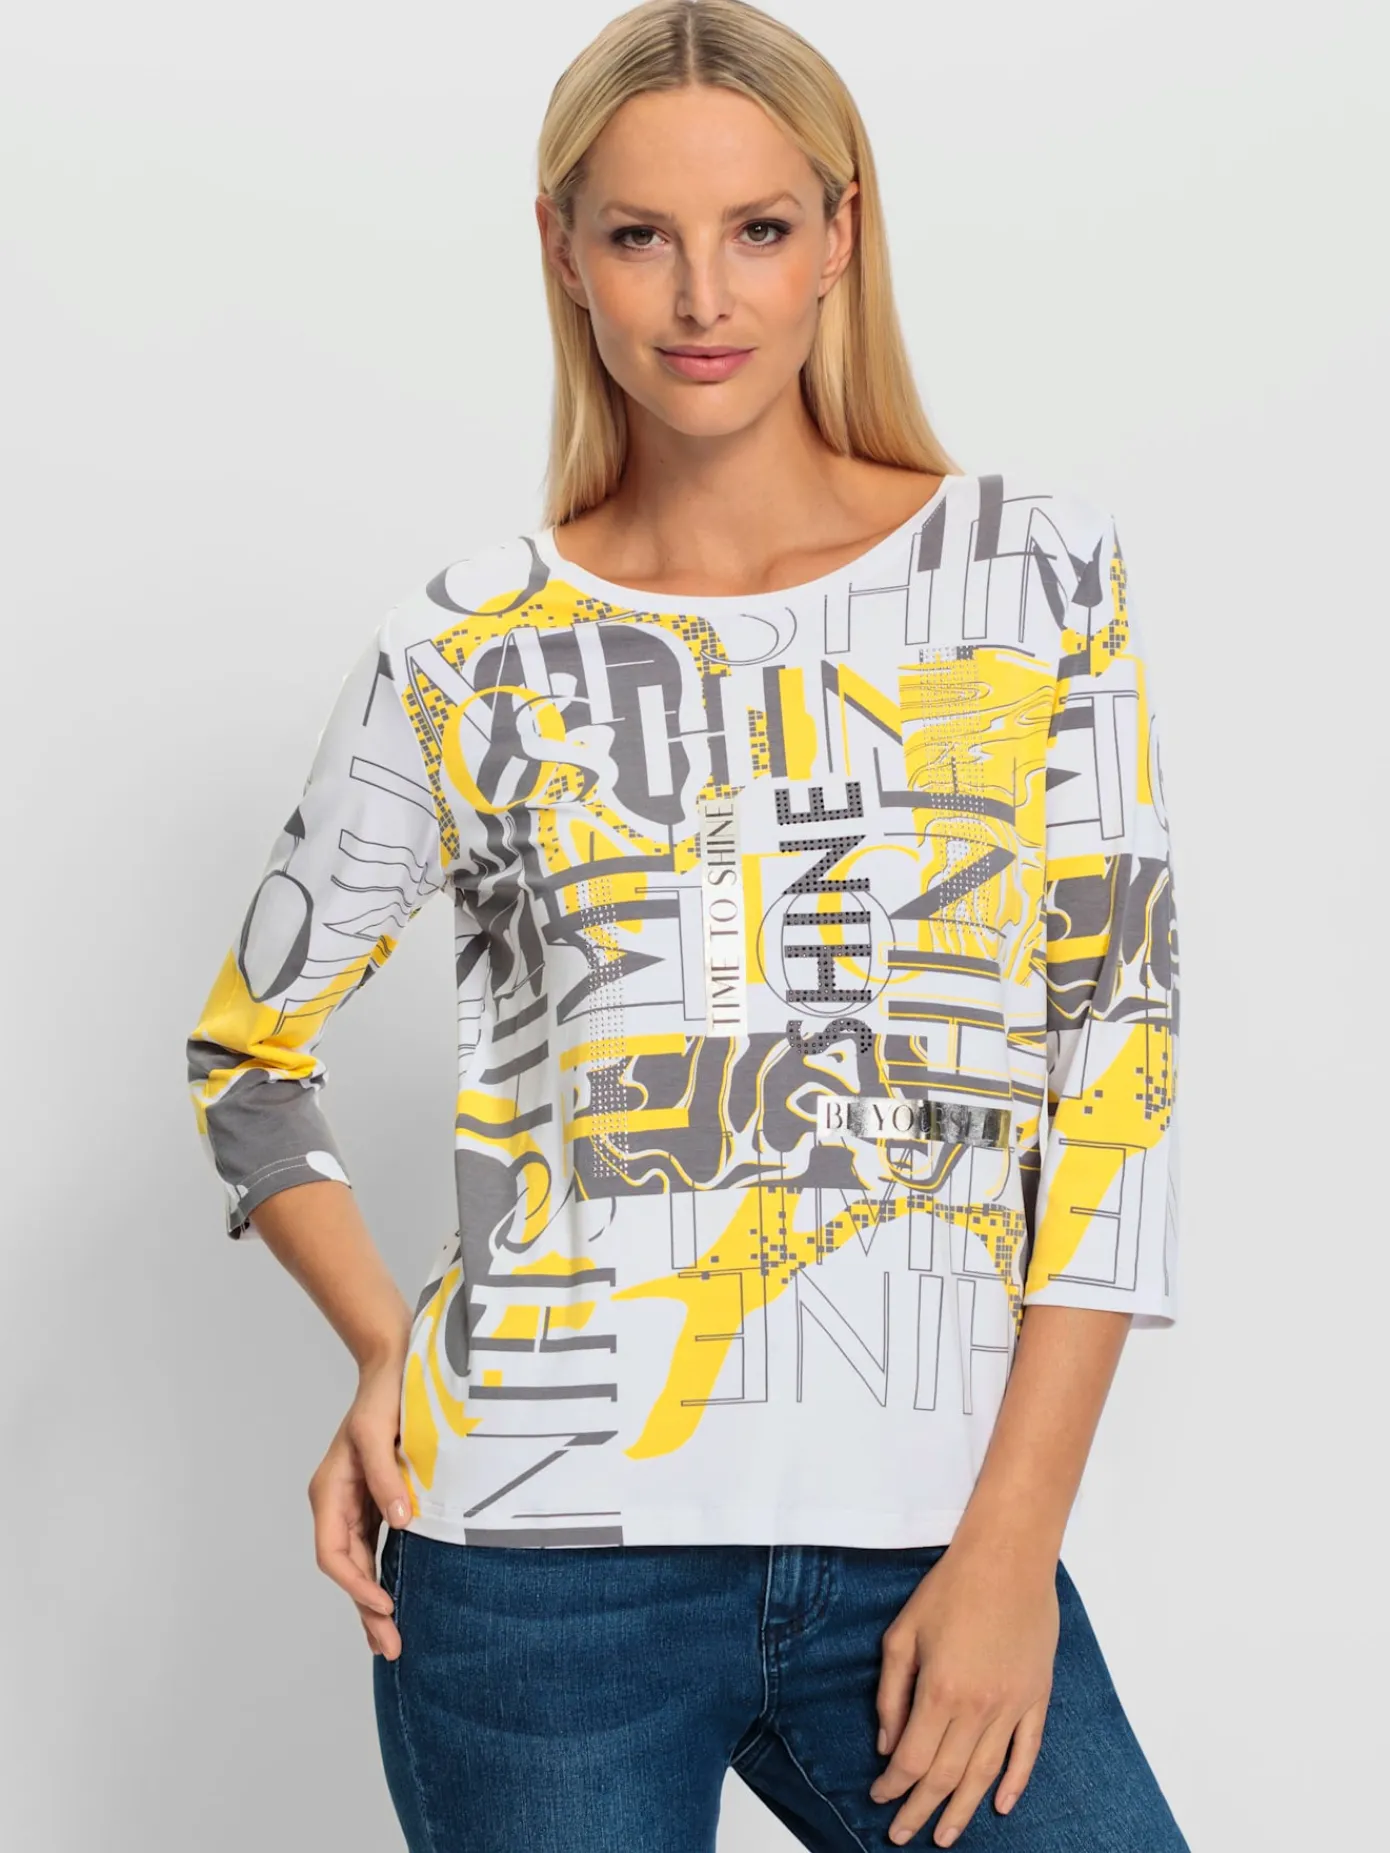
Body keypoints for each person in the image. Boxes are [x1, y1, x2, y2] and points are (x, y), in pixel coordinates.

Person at [184, 2, 1185, 1847]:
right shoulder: (466, 646)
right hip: (528, 1577)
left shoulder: (1028, 577)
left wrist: (1008, 1551)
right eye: (640, 234)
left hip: (928, 1548)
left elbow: (1113, 1083)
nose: (702, 296)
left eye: (758, 228)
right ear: (562, 250)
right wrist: (388, 1347)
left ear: (841, 235)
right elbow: (247, 1053)